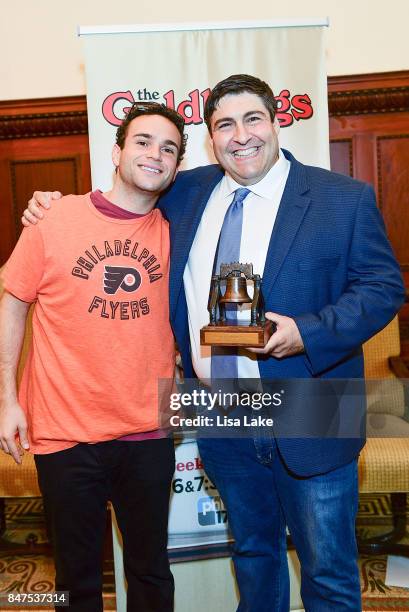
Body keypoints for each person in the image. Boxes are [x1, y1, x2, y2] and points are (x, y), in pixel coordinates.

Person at [22, 74, 405, 612]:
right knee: (254, 555)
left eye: (253, 119)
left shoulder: (343, 198)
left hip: (315, 401)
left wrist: (307, 333)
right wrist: (50, 203)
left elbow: (384, 286)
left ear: (276, 123)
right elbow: (120, 193)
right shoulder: (187, 191)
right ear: (211, 138)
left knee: (329, 570)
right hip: (221, 406)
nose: (240, 135)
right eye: (225, 124)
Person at [0, 101, 188, 612]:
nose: (155, 154)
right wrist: (7, 401)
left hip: (147, 432)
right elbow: (13, 303)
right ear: (117, 151)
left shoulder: (177, 233)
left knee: (151, 571)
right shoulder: (54, 217)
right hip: (64, 432)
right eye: (144, 142)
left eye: (168, 148)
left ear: (177, 166)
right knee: (74, 579)